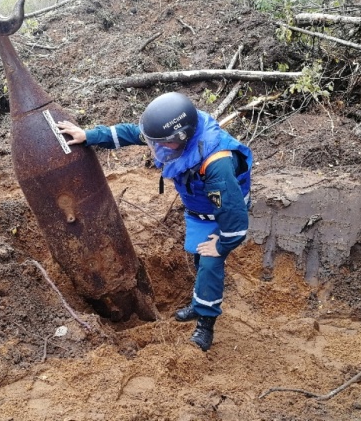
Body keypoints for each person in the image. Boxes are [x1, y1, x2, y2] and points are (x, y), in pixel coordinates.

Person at [57, 92, 252, 351]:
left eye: (160, 143)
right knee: (197, 258)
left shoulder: (217, 164)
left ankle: (205, 323)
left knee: (209, 263)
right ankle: (199, 301)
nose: (154, 148)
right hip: (200, 209)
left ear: (180, 136)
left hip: (221, 216)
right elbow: (133, 133)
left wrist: (223, 242)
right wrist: (90, 135)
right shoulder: (172, 136)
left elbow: (234, 215)